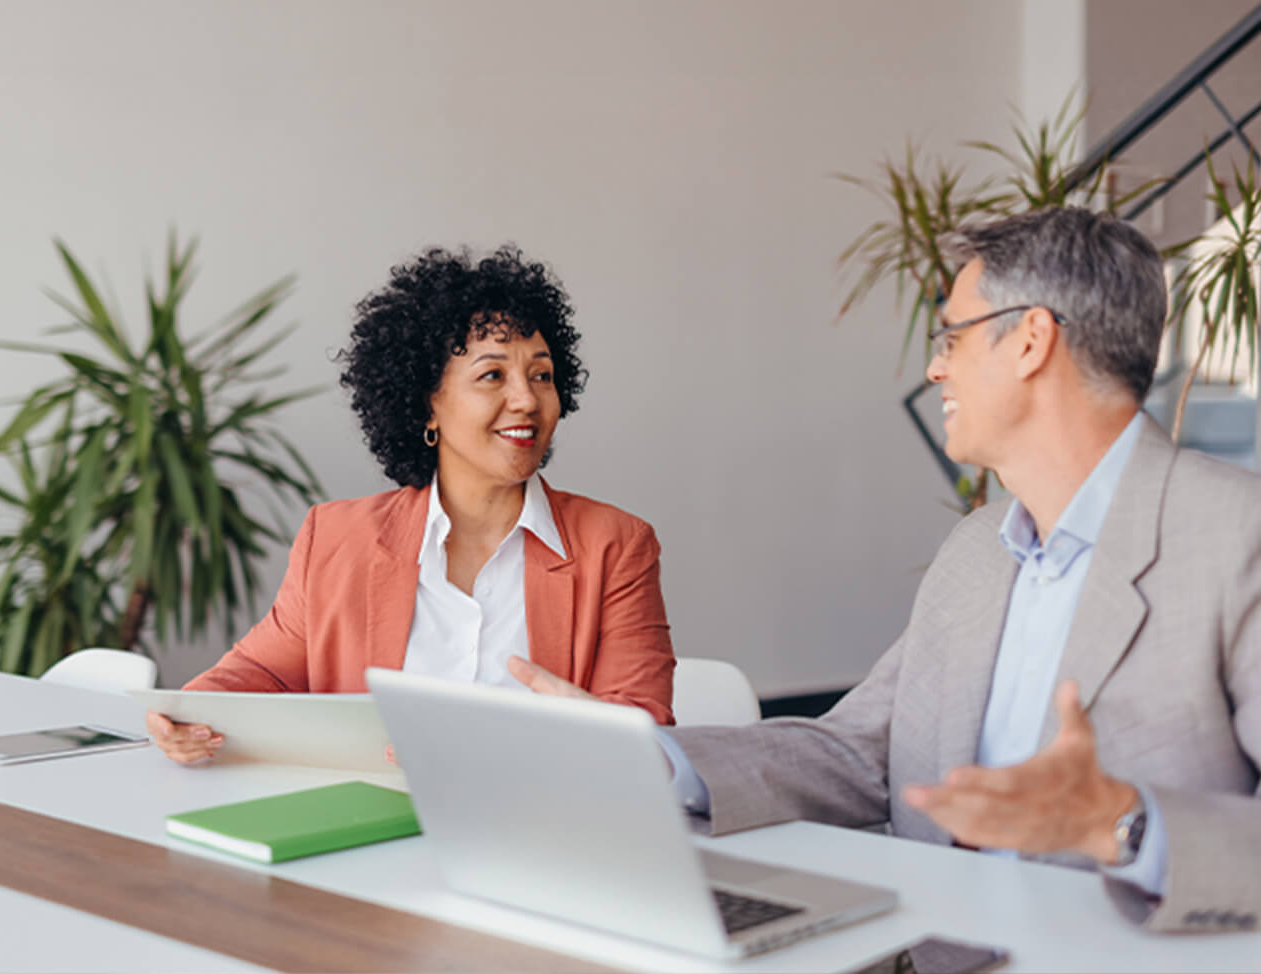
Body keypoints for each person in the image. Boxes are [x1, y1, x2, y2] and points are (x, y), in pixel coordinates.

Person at [514, 208, 1261, 933]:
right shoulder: (976, 550)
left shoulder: (1236, 537)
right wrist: (640, 757)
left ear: (1031, 340)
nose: (936, 367)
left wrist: (1122, 824)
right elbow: (859, 753)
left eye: (952, 337)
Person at [149, 245, 675, 763]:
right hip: (368, 822)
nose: (527, 400)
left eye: (541, 375)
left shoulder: (616, 546)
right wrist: (184, 713)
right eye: (493, 375)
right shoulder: (335, 538)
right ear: (427, 405)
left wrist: (572, 735)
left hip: (539, 825)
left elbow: (647, 737)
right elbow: (262, 672)